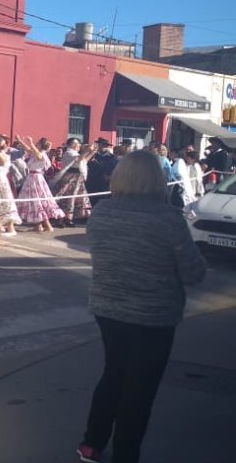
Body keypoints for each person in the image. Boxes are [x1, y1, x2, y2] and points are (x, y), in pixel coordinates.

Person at [77, 150, 206, 463]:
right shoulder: (168, 218)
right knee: (140, 388)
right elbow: (193, 273)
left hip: (108, 308)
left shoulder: (102, 212)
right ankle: (125, 453)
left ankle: (92, 444)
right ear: (157, 179)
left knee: (113, 374)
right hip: (154, 314)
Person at [16, 137, 65, 233]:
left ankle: (47, 225)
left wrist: (31, 143)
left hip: (36, 178)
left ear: (40, 145)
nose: (35, 144)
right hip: (31, 178)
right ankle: (38, 225)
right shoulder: (35, 153)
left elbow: (38, 155)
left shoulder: (42, 154)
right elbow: (29, 150)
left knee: (37, 201)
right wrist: (20, 141)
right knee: (34, 202)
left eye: (37, 143)